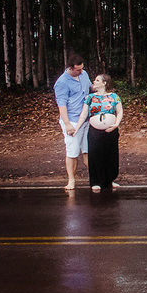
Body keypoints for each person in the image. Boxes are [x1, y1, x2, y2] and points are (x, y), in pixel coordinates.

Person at [53, 53, 93, 191]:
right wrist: (67, 124)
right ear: (70, 68)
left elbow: (90, 88)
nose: (80, 72)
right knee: (72, 152)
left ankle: (96, 178)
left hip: (87, 119)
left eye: (82, 69)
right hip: (72, 121)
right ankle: (71, 180)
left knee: (88, 150)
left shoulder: (84, 75)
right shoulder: (62, 82)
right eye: (78, 70)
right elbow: (62, 105)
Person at [80, 73, 123, 193]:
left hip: (111, 130)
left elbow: (119, 112)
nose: (94, 82)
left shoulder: (114, 96)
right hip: (94, 130)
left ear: (104, 83)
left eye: (97, 80)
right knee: (95, 154)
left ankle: (109, 180)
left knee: (111, 154)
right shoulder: (90, 97)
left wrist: (116, 124)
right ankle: (95, 181)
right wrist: (76, 127)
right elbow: (84, 114)